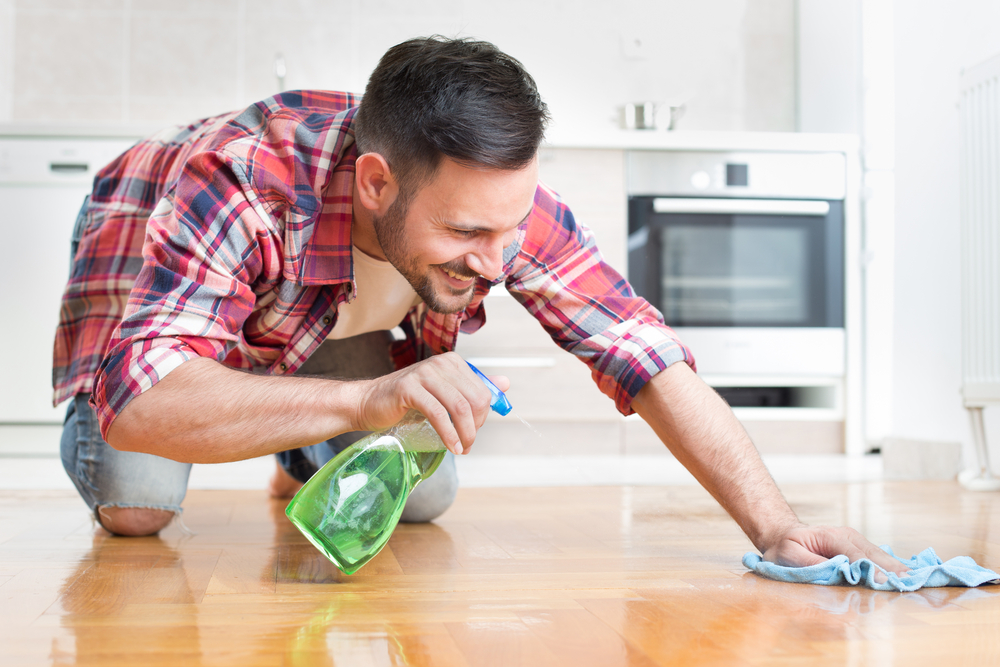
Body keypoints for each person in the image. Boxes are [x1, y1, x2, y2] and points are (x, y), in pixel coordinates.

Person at [53, 36, 908, 576]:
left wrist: (779, 525)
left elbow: (641, 350)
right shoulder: (238, 183)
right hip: (145, 256)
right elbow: (144, 399)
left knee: (421, 498)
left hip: (320, 315)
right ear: (378, 182)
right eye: (467, 233)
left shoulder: (494, 206)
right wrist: (359, 400)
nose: (498, 264)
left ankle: (292, 447)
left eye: (510, 229)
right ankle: (281, 421)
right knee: (137, 508)